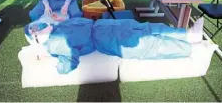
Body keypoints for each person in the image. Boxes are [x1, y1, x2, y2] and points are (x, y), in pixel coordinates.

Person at [24, 15, 204, 74]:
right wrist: (51, 60)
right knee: (150, 44)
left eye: (35, 25)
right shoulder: (55, 44)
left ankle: (188, 35)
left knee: (149, 27)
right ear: (38, 38)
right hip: (110, 40)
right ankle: (190, 48)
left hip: (109, 26)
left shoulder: (57, 28)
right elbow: (70, 61)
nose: (37, 26)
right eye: (35, 30)